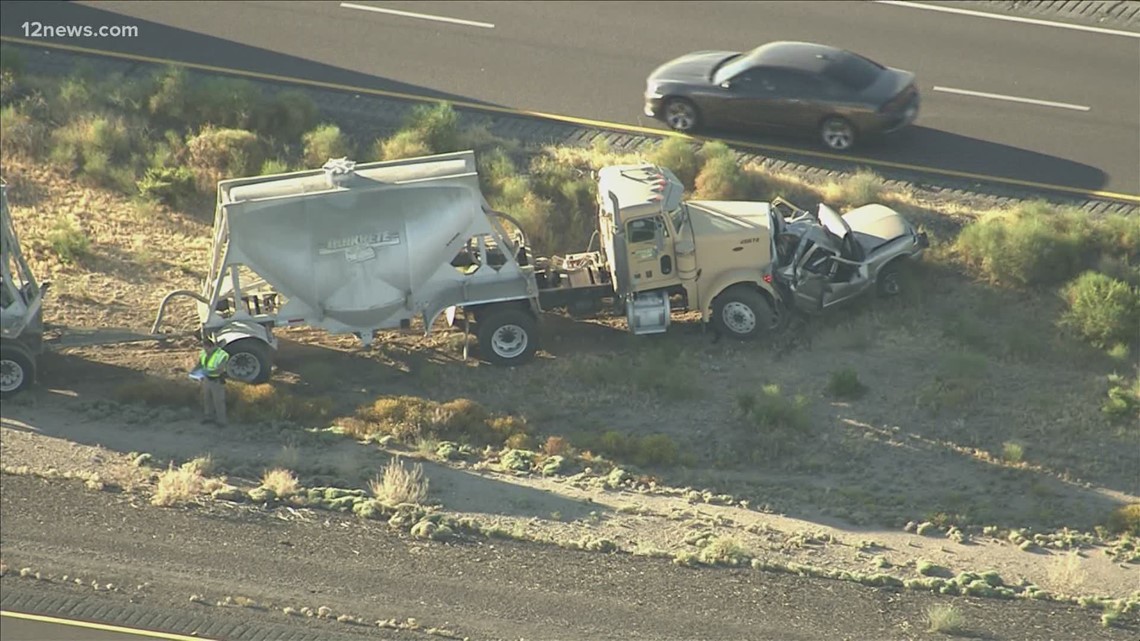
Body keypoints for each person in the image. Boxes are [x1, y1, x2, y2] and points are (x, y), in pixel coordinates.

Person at [196, 336, 230, 426]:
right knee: (207, 399)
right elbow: (200, 363)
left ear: (211, 347)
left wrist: (206, 371)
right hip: (206, 380)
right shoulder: (204, 353)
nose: (205, 351)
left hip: (216, 381)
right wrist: (195, 372)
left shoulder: (222, 355)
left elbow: (220, 370)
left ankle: (222, 421)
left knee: (218, 401)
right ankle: (209, 417)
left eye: (206, 349)